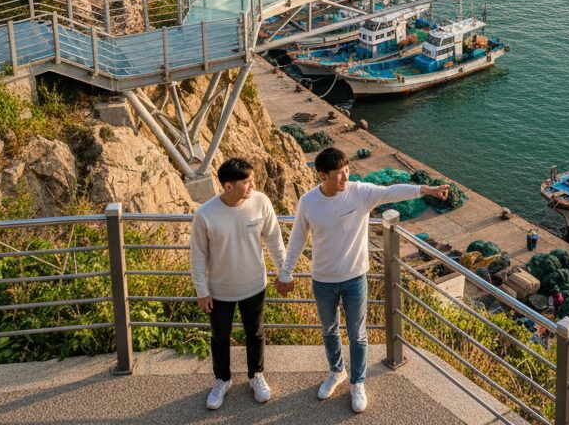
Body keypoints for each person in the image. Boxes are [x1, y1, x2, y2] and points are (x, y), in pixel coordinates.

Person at [278, 147, 449, 414]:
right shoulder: (308, 202)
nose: (346, 177)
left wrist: (426, 190)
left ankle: (358, 382)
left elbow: (392, 192)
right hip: (322, 279)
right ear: (322, 175)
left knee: (358, 334)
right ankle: (337, 372)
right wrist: (286, 272)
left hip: (355, 277)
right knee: (329, 331)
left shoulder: (360, 192)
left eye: (347, 171)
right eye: (339, 174)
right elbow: (298, 238)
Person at [190, 157, 286, 411]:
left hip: (254, 285)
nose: (253, 185)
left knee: (255, 333)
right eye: (247, 182)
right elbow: (198, 256)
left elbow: (274, 240)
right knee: (220, 337)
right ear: (228, 186)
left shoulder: (261, 202)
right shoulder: (205, 214)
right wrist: (202, 291)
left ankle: (256, 375)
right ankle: (222, 380)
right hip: (219, 290)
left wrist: (284, 272)